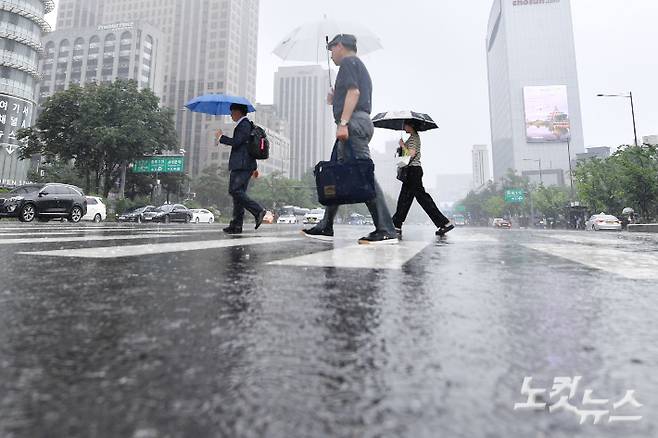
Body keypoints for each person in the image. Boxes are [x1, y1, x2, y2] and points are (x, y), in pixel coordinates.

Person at [302, 34, 398, 245]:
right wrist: (334, 98)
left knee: (364, 174)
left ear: (339, 46)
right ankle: (326, 225)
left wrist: (343, 122)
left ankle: (385, 228)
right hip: (356, 122)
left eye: (331, 49)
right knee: (334, 174)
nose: (331, 54)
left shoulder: (348, 62)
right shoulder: (355, 65)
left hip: (353, 123)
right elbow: (351, 93)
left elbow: (354, 93)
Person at [392, 120, 454, 237]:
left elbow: (411, 154)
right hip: (410, 171)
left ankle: (444, 223)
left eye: (405, 124)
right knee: (404, 199)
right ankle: (396, 225)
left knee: (422, 198)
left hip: (413, 171)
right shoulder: (411, 138)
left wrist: (402, 146)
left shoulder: (414, 138)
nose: (403, 126)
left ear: (411, 126)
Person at [215, 103, 266, 234]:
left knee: (234, 190)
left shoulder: (244, 125)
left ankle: (258, 210)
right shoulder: (245, 125)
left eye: (232, 112)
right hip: (244, 165)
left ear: (238, 112)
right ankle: (236, 225)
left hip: (242, 165)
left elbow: (236, 143)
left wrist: (221, 137)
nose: (231, 115)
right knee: (237, 196)